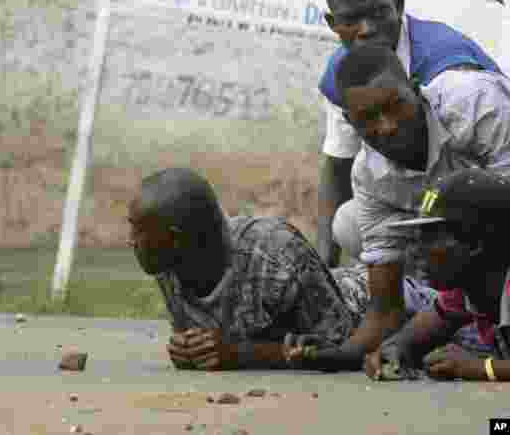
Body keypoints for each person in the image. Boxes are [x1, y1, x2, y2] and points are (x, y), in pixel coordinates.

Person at [290, 44, 510, 371]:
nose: (387, 126)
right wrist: (343, 354)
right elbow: (385, 308)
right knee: (349, 225)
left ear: (415, 88)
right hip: (472, 256)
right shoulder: (368, 177)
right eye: (368, 119)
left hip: (493, 243)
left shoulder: (476, 105)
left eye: (395, 106)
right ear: (351, 123)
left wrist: (485, 368)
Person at [127, 168, 436, 371]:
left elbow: (343, 348)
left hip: (372, 301)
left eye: (137, 232)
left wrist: (242, 355)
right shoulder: (168, 263)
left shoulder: (277, 256)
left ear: (176, 237)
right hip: (324, 291)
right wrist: (189, 348)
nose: (130, 241)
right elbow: (211, 338)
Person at [316, 0, 500, 269]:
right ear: (333, 24)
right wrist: (324, 269)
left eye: (378, 14)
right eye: (351, 20)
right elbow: (337, 164)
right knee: (349, 222)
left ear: (398, 8)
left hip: (484, 192)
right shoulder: (345, 72)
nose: (366, 30)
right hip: (426, 196)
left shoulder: (451, 71)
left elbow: (476, 176)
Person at [364, 168, 509, 382]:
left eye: (430, 238)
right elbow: (409, 339)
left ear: (475, 243)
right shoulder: (467, 291)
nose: (415, 250)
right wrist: (393, 351)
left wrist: (481, 368)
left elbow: (477, 367)